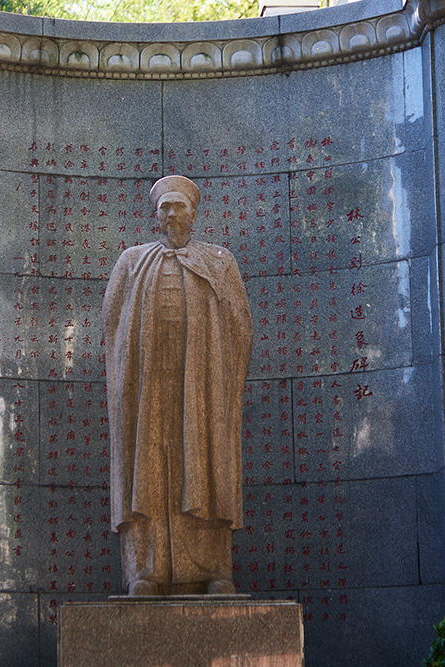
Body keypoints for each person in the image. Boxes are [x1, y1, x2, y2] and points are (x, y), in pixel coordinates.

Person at [102, 175, 253, 596]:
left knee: (204, 469)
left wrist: (221, 385)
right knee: (146, 476)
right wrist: (126, 385)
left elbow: (241, 327)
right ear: (156, 215)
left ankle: (213, 570)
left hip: (201, 388)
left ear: (193, 212)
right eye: (164, 207)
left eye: (178, 206)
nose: (171, 214)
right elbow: (112, 326)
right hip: (146, 387)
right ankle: (145, 573)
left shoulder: (220, 262)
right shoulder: (132, 262)